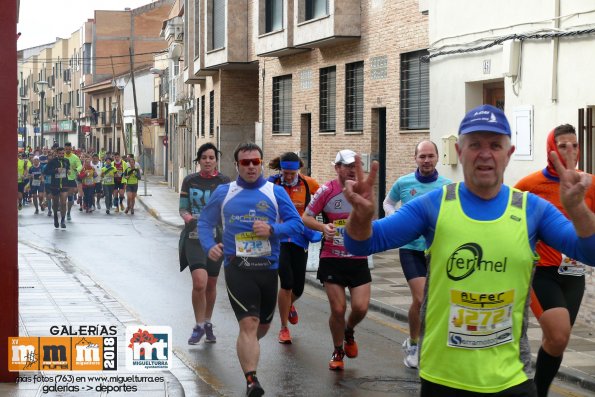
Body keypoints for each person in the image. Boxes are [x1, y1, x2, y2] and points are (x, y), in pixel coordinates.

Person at [342, 104, 595, 396]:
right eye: (475, 144)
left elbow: (588, 253)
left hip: (510, 379)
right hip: (443, 379)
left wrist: (578, 210)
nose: (485, 153)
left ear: (508, 153)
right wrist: (360, 217)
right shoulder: (434, 205)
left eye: (494, 145)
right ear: (460, 152)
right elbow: (363, 242)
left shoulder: (531, 210)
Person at [198, 142, 303, 397]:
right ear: (236, 165)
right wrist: (209, 245)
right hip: (238, 268)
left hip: (268, 269)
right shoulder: (225, 193)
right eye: (245, 162)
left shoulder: (275, 193)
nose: (252, 166)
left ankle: (249, 352)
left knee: (262, 327)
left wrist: (273, 230)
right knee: (249, 323)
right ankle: (251, 380)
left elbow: (297, 225)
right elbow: (204, 222)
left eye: (256, 161)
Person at [514, 124, 595, 397]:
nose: (570, 151)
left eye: (574, 145)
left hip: (573, 273)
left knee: (557, 341)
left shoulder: (590, 183)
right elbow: (509, 222)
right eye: (562, 146)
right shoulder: (528, 186)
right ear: (551, 150)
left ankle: (538, 389)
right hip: (540, 272)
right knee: (558, 333)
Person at [383, 140, 451, 369]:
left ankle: (422, 342)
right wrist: (395, 216)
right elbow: (388, 202)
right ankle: (415, 344)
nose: (427, 160)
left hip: (437, 251)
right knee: (422, 298)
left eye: (430, 156)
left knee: (431, 301)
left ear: (438, 157)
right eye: (422, 156)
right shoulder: (404, 183)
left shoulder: (447, 186)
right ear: (415, 158)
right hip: (411, 249)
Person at [302, 149, 372, 371]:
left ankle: (349, 331)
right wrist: (323, 227)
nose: (352, 170)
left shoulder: (363, 189)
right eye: (347, 165)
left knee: (360, 308)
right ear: (337, 168)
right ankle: (337, 349)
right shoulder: (327, 191)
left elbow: (373, 219)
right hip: (332, 256)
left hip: (358, 256)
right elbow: (306, 217)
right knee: (338, 309)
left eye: (355, 165)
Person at [179, 143, 230, 345]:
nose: (208, 161)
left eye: (211, 157)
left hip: (217, 239)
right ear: (198, 160)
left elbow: (229, 208)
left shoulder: (224, 181)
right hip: (194, 237)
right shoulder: (190, 181)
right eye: (204, 157)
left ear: (216, 160)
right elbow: (183, 209)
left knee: (210, 284)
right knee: (199, 282)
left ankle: (208, 322)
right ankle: (198, 325)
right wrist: (191, 219)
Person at [267, 152, 321, 344]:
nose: (288, 176)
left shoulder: (308, 184)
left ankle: (288, 304)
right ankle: (283, 328)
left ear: (298, 169)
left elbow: (326, 198)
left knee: (298, 287)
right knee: (287, 282)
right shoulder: (272, 184)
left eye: (292, 172)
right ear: (280, 169)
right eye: (285, 172)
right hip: (279, 239)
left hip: (300, 238)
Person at [43, 147, 71, 229]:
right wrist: (55, 170)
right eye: (60, 153)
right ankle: (55, 217)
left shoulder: (66, 161)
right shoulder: (52, 161)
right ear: (57, 153)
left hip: (65, 184)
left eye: (63, 153)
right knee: (55, 203)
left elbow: (68, 169)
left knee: (63, 203)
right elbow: (46, 172)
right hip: (55, 185)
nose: (61, 155)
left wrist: (68, 171)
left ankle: (62, 220)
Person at [64, 142, 82, 220]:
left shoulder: (75, 157)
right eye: (66, 149)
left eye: (69, 149)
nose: (68, 150)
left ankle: (68, 212)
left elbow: (80, 165)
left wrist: (77, 169)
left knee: (70, 197)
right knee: (63, 197)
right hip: (62, 179)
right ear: (65, 149)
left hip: (71, 179)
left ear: (71, 149)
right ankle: (63, 211)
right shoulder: (61, 156)